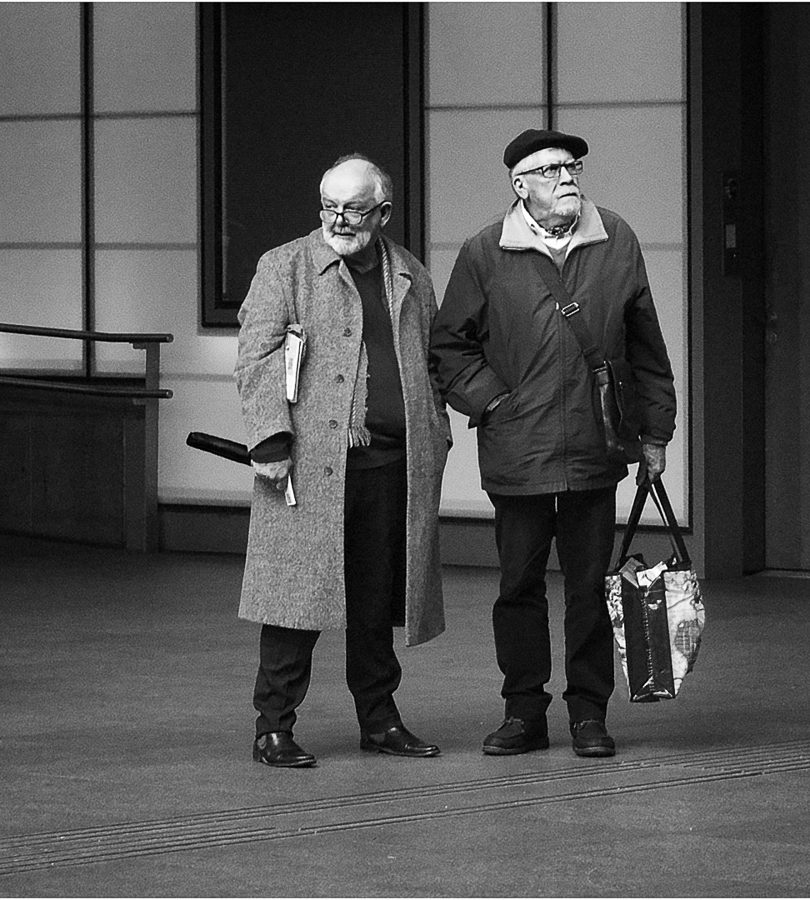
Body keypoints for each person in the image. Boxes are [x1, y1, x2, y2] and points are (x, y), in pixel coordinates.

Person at [430, 129, 676, 758]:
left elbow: (645, 342)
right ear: (520, 185)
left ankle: (589, 714)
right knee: (518, 585)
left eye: (573, 167)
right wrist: (493, 403)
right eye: (551, 170)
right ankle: (523, 712)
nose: (568, 177)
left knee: (591, 585)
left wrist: (656, 432)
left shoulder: (614, 238)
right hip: (519, 448)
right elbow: (449, 346)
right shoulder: (485, 251)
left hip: (597, 443)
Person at [235, 155, 451, 768]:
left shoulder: (408, 273)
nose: (338, 219)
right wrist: (272, 440)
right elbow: (256, 359)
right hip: (308, 463)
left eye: (353, 209)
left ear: (382, 213)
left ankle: (379, 720)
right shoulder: (286, 266)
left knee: (377, 600)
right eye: (328, 206)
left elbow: (431, 361)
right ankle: (272, 727)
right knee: (293, 598)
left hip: (393, 463)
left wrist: (438, 427)